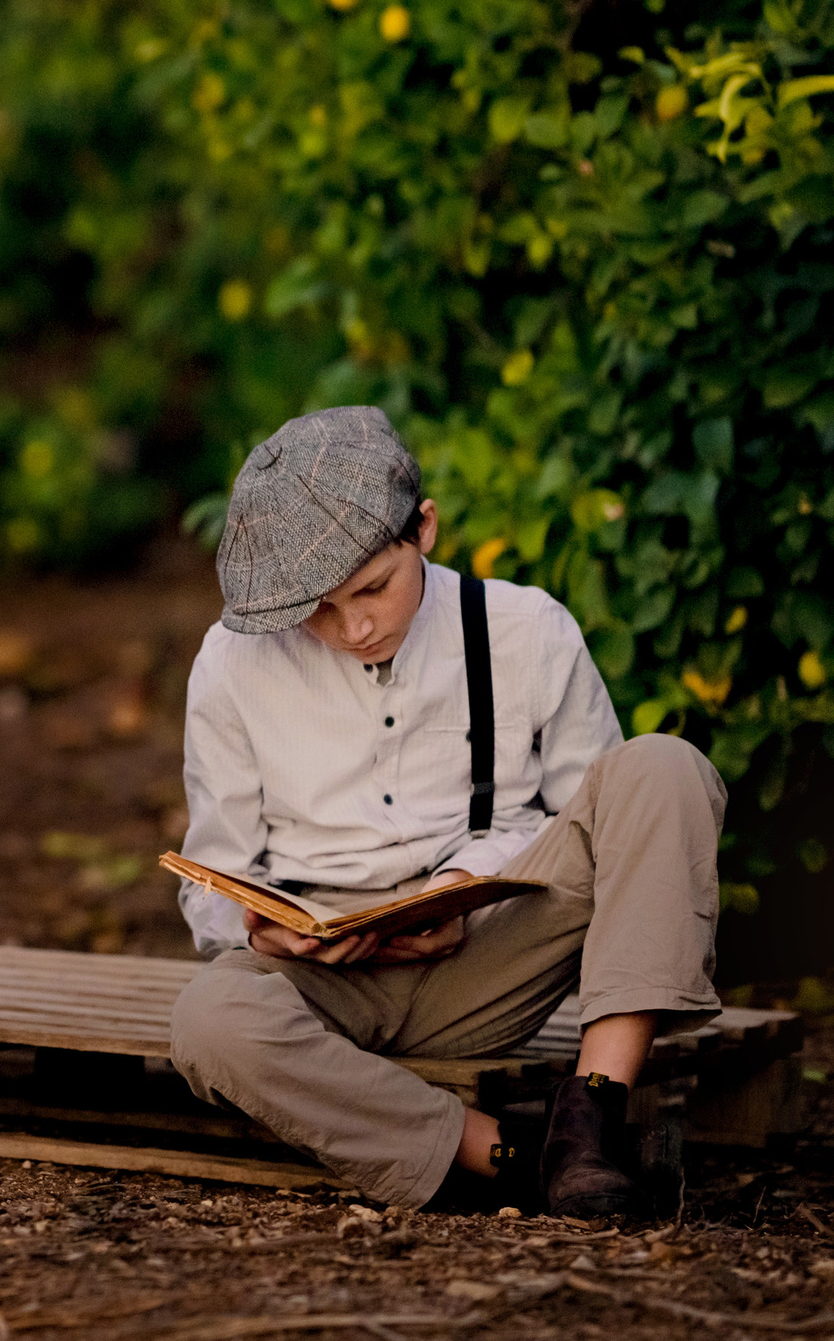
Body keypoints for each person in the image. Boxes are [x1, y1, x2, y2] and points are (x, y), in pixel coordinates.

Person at [168, 406, 726, 1216]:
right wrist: (260, 928)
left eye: (372, 589)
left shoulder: (525, 629)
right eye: (316, 611)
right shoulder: (231, 664)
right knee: (208, 1021)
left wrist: (470, 879)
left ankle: (594, 1112)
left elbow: (606, 832)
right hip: (324, 982)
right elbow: (211, 877)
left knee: (663, 768)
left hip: (495, 961)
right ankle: (512, 1153)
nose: (353, 626)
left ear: (423, 528)